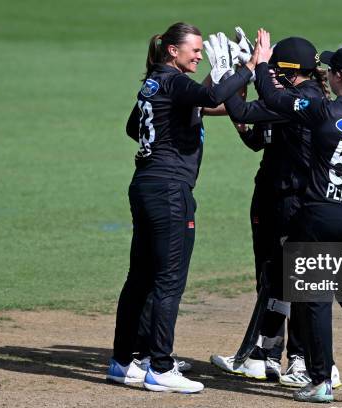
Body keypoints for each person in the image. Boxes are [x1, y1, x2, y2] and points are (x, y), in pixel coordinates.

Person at [106, 22, 258, 394]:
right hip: (170, 192)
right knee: (168, 282)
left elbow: (134, 127)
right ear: (173, 51)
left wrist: (184, 114)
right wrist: (249, 69)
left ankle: (123, 362)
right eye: (194, 49)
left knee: (139, 278)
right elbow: (210, 96)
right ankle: (160, 366)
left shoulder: (156, 83)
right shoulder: (173, 83)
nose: (199, 54)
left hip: (144, 186)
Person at [254, 30, 342, 403]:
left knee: (313, 298)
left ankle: (321, 381)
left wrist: (262, 63)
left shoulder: (323, 111)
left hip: (322, 213)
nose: (324, 73)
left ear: (340, 78)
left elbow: (275, 98)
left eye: (330, 69)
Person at [208, 37, 342, 390]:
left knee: (291, 281)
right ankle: (268, 355)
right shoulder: (294, 100)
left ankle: (301, 359)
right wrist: (245, 82)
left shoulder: (301, 101)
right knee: (275, 280)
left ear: (285, 73)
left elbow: (243, 108)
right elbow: (257, 137)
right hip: (276, 197)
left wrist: (234, 74)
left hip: (292, 202)